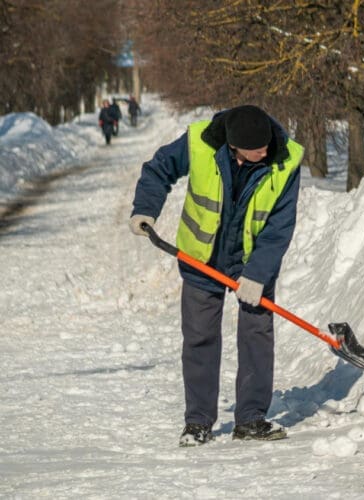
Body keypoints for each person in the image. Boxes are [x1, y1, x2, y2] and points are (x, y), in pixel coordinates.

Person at [128, 105, 304, 447]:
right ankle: (198, 422)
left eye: (265, 146)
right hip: (201, 258)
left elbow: (279, 227)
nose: (264, 152)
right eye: (255, 150)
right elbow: (159, 168)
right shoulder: (200, 142)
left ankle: (251, 419)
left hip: (253, 263)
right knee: (199, 338)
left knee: (256, 336)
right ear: (233, 146)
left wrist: (257, 274)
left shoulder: (285, 160)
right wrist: (145, 208)